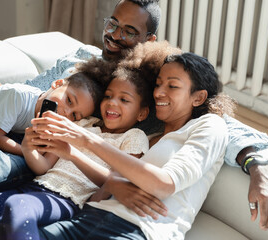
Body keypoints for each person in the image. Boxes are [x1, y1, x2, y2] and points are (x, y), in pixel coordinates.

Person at [0, 0, 268, 229]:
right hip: (0, 137)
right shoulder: (78, 58)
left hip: (30, 160)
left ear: (150, 38)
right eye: (113, 23)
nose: (114, 35)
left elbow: (216, 122)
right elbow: (30, 90)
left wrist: (257, 166)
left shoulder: (150, 89)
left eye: (129, 31)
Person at [0, 45, 163, 240]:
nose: (112, 104)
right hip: (31, 187)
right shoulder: (83, 123)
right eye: (108, 96)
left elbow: (116, 183)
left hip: (65, 200)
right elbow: (44, 166)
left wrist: (73, 153)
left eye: (124, 100)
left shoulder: (135, 138)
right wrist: (27, 148)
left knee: (17, 207)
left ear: (142, 113)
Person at [13, 51, 236, 239]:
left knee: (16, 213)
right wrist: (106, 183)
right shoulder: (151, 139)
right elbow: (104, 189)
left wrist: (88, 140)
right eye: (158, 84)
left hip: (135, 231)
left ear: (198, 98)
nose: (159, 92)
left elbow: (164, 184)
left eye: (173, 86)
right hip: (88, 218)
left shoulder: (211, 125)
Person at [0, 58, 115, 214]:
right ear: (57, 84)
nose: (65, 113)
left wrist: (34, 151)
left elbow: (43, 162)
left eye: (75, 115)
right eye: (68, 100)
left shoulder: (51, 119)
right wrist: (26, 151)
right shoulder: (19, 96)